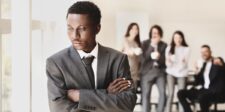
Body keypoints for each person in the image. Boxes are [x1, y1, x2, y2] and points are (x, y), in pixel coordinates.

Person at [46, 1, 137, 112]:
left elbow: (128, 104)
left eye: (82, 28)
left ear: (97, 28)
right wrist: (106, 93)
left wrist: (80, 96)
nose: (74, 36)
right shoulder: (56, 63)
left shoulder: (118, 59)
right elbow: (59, 109)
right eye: (70, 28)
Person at [178, 45, 225, 112]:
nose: (204, 54)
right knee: (180, 93)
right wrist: (196, 73)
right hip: (204, 90)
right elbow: (199, 82)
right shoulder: (203, 65)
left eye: (206, 51)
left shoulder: (217, 61)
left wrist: (219, 64)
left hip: (215, 91)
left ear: (210, 52)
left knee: (202, 97)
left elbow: (222, 70)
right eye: (202, 52)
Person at [140, 25, 167, 112]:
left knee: (163, 93)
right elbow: (143, 59)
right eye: (153, 33)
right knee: (146, 94)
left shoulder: (164, 45)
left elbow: (165, 62)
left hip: (160, 72)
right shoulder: (144, 43)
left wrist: (159, 57)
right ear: (150, 34)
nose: (155, 34)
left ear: (160, 34)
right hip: (147, 72)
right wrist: (152, 45)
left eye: (157, 33)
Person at [165, 31, 190, 112]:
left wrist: (178, 64)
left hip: (182, 73)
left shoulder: (186, 49)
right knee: (170, 94)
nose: (178, 39)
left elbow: (184, 64)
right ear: (173, 39)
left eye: (179, 37)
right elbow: (167, 64)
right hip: (171, 73)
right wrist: (169, 61)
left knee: (181, 95)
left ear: (182, 38)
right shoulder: (169, 48)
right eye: (176, 37)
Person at [122, 22, 142, 89]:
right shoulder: (125, 39)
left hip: (135, 71)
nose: (135, 30)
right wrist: (135, 51)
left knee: (133, 92)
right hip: (126, 71)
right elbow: (128, 52)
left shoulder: (136, 43)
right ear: (129, 30)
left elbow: (138, 59)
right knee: (125, 92)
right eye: (132, 29)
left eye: (136, 29)